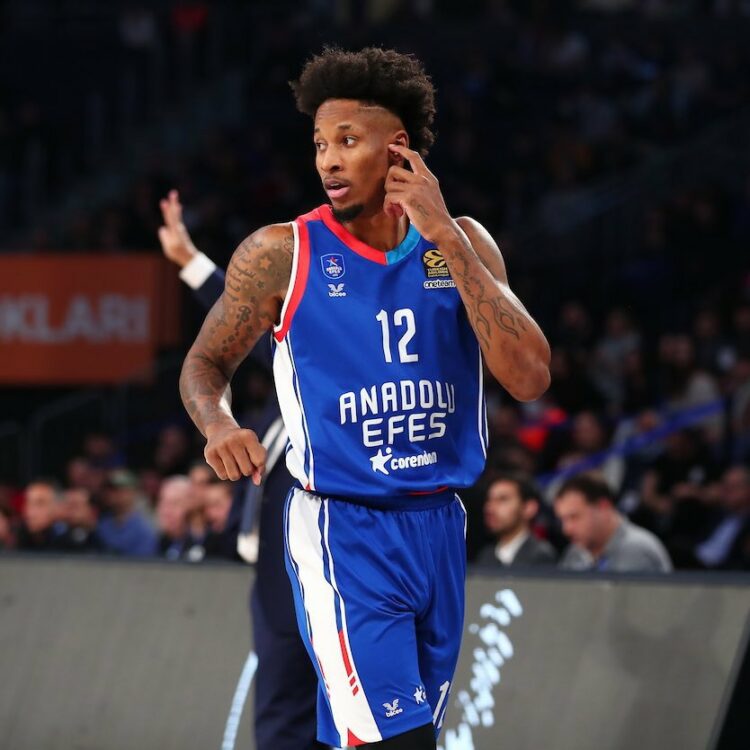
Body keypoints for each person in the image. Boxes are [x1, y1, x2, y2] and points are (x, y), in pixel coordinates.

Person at [178, 47, 550, 749]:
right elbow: (204, 362)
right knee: (398, 741)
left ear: (398, 148)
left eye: (347, 140)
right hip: (341, 528)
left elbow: (530, 377)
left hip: (439, 525)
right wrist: (217, 424)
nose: (328, 160)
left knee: (378, 737)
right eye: (320, 143)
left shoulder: (463, 244)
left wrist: (445, 234)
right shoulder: (280, 253)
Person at [159, 195, 324, 749]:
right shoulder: (282, 387)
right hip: (272, 576)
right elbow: (237, 316)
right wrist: (189, 261)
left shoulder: (326, 368)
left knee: (332, 713)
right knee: (280, 713)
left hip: (322, 563)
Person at [555, 473, 672, 573]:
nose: (566, 529)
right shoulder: (574, 554)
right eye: (563, 520)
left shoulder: (637, 550)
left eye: (574, 517)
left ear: (604, 507)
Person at [476, 473, 557, 568]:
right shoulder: (486, 555)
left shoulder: (541, 556)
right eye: (489, 500)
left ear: (529, 508)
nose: (489, 508)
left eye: (503, 499)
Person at [96, 469, 158, 557]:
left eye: (119, 490)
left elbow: (144, 562)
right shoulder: (103, 524)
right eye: (111, 490)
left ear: (133, 493)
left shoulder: (144, 529)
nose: (114, 495)